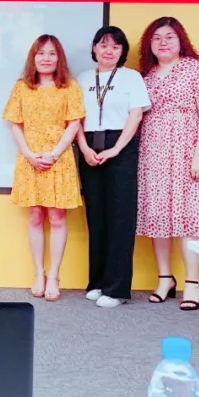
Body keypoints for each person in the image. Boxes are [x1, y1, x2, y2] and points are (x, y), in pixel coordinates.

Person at [136, 16, 199, 311]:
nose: (163, 43)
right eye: (156, 38)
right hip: (153, 152)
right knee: (157, 215)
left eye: (169, 36)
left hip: (186, 151)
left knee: (188, 216)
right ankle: (165, 279)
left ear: (180, 40)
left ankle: (193, 283)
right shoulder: (145, 75)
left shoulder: (195, 69)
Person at [2, 34, 85, 302]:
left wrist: (54, 153)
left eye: (52, 53)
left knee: (58, 217)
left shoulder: (69, 87)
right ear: (33, 57)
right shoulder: (21, 87)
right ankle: (38, 273)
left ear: (59, 58)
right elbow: (14, 123)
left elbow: (74, 123)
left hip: (58, 159)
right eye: (41, 53)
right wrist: (29, 154)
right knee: (36, 216)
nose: (46, 58)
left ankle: (54, 276)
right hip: (30, 159)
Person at [75, 26, 151, 308]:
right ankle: (97, 282)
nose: (109, 51)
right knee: (96, 216)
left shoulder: (131, 77)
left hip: (121, 146)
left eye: (116, 47)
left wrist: (116, 148)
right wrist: (84, 148)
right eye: (103, 45)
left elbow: (136, 115)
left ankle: (117, 289)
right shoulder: (82, 79)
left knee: (120, 218)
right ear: (94, 48)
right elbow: (74, 117)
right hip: (88, 147)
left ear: (122, 51)